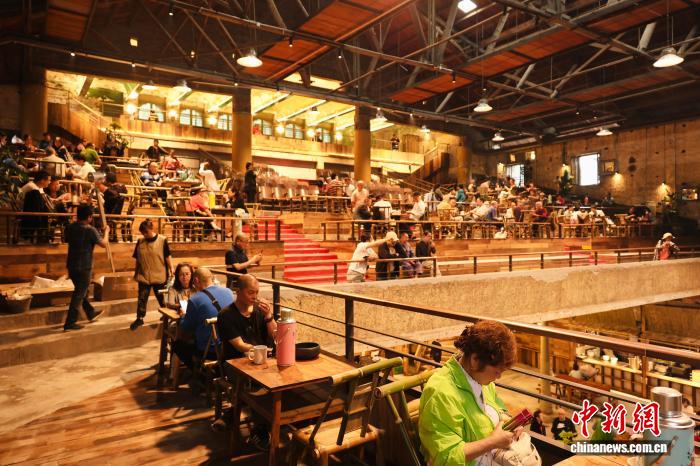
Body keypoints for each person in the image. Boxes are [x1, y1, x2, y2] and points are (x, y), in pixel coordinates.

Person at [419, 320, 520, 465]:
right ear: (475, 360)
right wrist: (492, 442)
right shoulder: (441, 393)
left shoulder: (481, 379)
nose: (498, 377)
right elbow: (446, 457)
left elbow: (497, 407)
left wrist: (510, 422)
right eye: (497, 371)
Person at [217, 274, 276, 449]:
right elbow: (239, 345)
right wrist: (262, 350)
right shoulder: (226, 315)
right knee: (258, 386)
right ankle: (260, 429)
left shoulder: (259, 311)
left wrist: (269, 316)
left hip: (263, 362)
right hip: (235, 364)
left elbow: (274, 335)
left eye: (257, 292)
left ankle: (233, 414)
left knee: (282, 377)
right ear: (238, 291)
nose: (255, 296)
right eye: (251, 292)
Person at [173, 267, 234, 370]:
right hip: (230, 346)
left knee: (177, 345)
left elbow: (186, 328)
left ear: (196, 280)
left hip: (210, 350)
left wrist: (183, 315)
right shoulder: (228, 292)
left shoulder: (195, 300)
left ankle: (198, 371)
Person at [63, 205, 108, 330]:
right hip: (84, 266)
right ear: (89, 217)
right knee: (79, 295)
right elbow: (104, 244)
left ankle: (90, 313)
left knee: (80, 291)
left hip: (71, 265)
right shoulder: (90, 229)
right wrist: (106, 232)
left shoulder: (70, 227)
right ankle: (70, 323)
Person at [130, 219, 173, 330]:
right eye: (143, 233)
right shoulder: (140, 242)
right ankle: (139, 318)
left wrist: (171, 269)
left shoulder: (162, 240)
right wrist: (136, 272)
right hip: (144, 275)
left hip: (159, 275)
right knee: (142, 298)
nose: (144, 234)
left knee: (162, 298)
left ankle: (167, 315)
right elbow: (138, 258)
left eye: (146, 232)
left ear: (151, 229)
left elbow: (167, 256)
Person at [21, 171, 52, 242]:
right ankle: (43, 234)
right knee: (46, 211)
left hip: (34, 209)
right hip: (26, 211)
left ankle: (44, 234)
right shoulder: (32, 187)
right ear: (42, 180)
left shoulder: (38, 187)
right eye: (49, 180)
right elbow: (41, 202)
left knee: (48, 209)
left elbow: (45, 199)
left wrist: (57, 200)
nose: (49, 182)